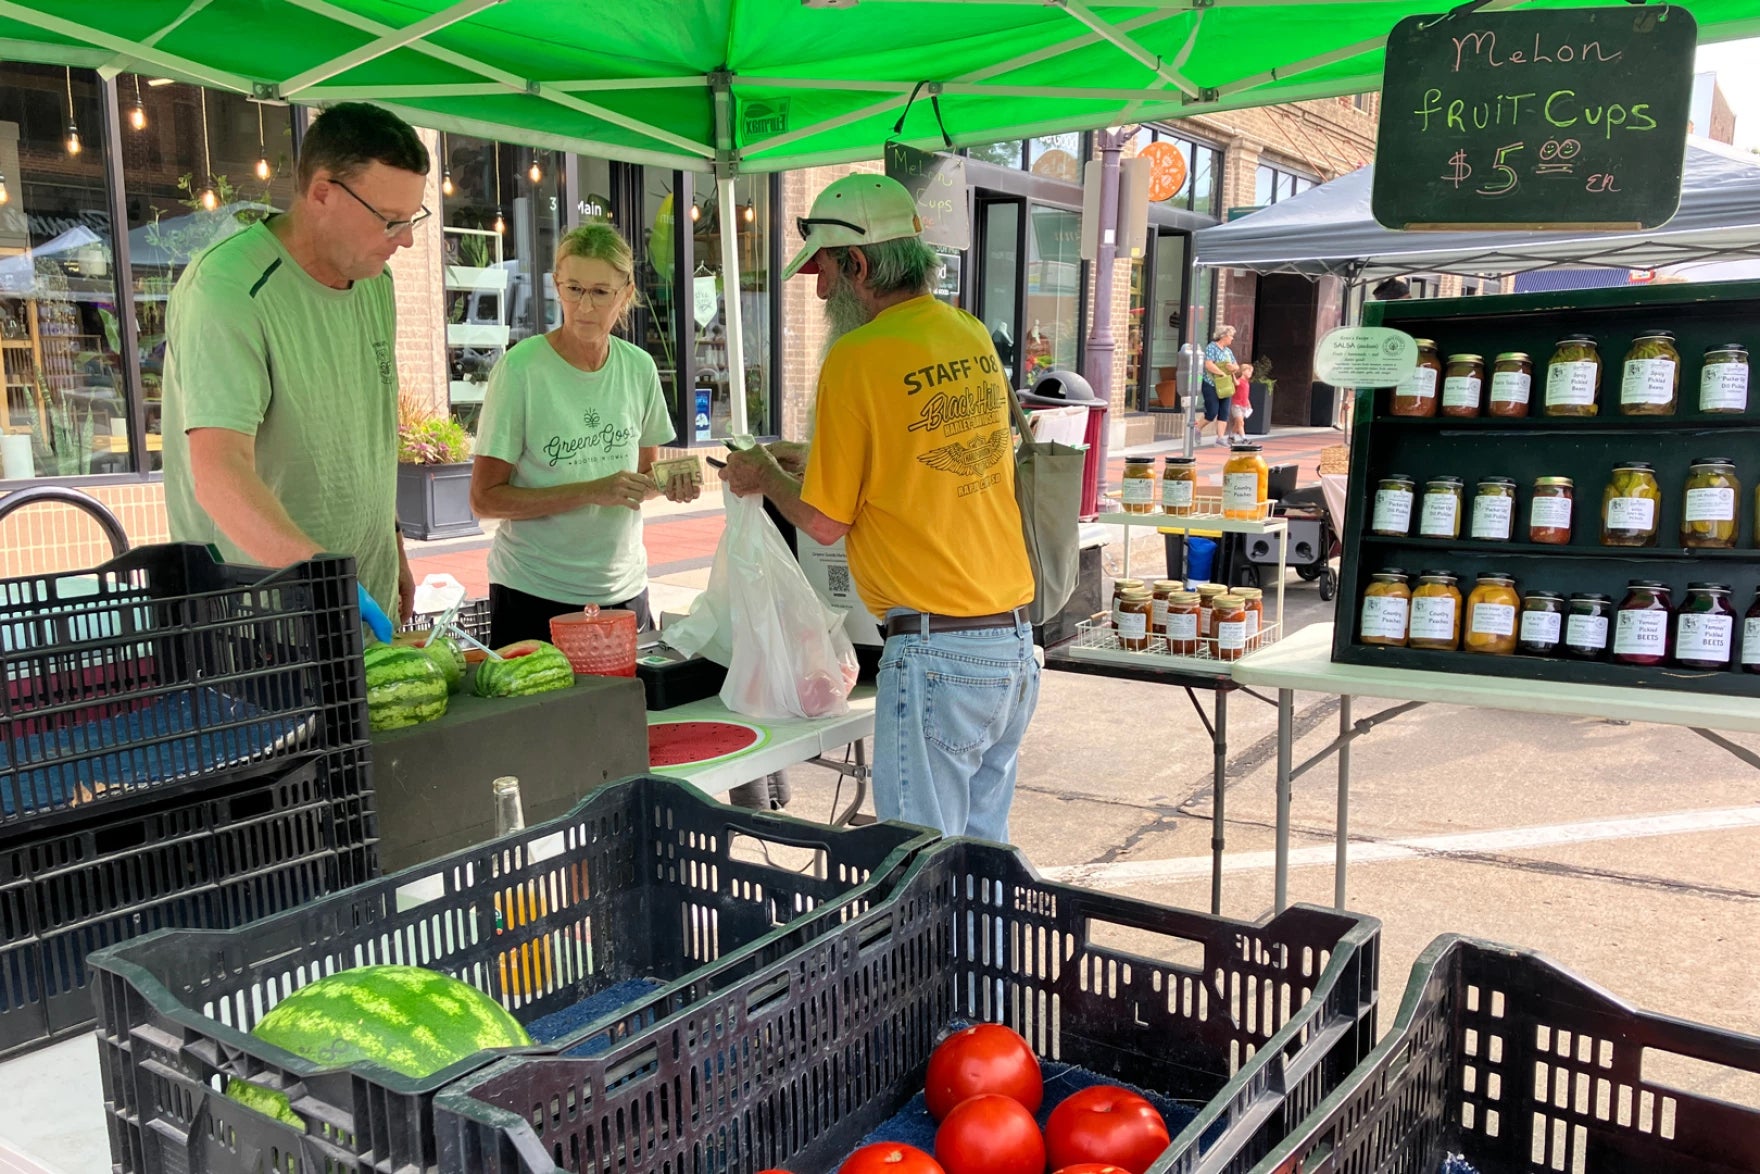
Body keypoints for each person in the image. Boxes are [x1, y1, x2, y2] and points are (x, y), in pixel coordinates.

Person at [721, 174, 1039, 841]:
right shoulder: (970, 332)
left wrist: (765, 477)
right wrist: (811, 457)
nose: (820, 290)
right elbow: (923, 448)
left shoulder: (856, 357)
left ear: (859, 265)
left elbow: (825, 524)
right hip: (1010, 642)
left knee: (917, 870)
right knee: (981, 869)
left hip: (937, 653)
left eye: (826, 271)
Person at [161, 102, 429, 623]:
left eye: (413, 218)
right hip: (262, 624)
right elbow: (219, 473)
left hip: (361, 602)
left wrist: (392, 547)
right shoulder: (229, 288)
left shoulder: (376, 283)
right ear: (323, 192)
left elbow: (364, 435)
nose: (407, 238)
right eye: (391, 221)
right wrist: (327, 585)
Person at [470, 222, 698, 646]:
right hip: (534, 591)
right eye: (573, 288)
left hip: (623, 590)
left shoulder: (639, 368)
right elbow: (484, 498)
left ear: (626, 294)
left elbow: (643, 478)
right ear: (557, 284)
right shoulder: (521, 370)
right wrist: (592, 490)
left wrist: (672, 482)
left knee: (624, 713)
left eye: (600, 292)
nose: (584, 306)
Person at [1202, 325, 1239, 447]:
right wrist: (1221, 372)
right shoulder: (1211, 347)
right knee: (1212, 412)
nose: (1232, 339)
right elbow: (1208, 364)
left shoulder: (1228, 351)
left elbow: (1236, 366)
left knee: (1224, 411)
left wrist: (1233, 368)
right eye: (1231, 336)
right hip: (1211, 384)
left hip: (1226, 385)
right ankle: (1197, 428)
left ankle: (1220, 438)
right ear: (1223, 336)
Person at [1228, 362, 1254, 445]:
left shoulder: (1247, 383)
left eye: (1251, 372)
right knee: (1240, 422)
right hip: (1237, 405)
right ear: (1243, 371)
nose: (1250, 373)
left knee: (1238, 423)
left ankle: (1231, 436)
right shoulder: (1240, 381)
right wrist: (1232, 374)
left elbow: (1246, 395)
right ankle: (1244, 438)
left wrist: (1248, 403)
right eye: (1248, 371)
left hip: (1243, 405)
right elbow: (1236, 383)